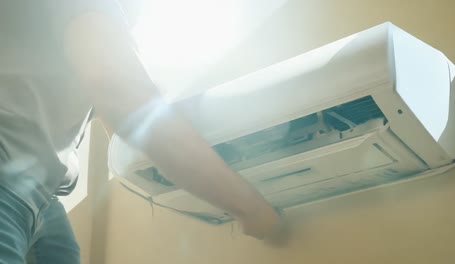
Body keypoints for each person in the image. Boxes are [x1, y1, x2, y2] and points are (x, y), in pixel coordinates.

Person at [0, 1, 282, 263]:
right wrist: (250, 208)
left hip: (41, 196)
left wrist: (148, 166)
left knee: (61, 251)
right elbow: (117, 88)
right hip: (8, 175)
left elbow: (110, 105)